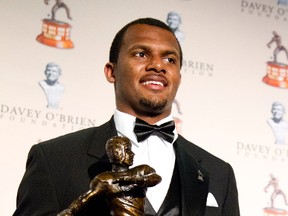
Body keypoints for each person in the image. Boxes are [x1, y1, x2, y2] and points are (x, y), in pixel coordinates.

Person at [14, 17, 240, 215]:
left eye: (170, 59)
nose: (157, 65)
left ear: (179, 76)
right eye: (141, 54)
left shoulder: (219, 174)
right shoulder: (55, 160)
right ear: (111, 72)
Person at [57, 136, 161, 216]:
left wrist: (132, 179)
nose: (132, 154)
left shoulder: (141, 170)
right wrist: (70, 211)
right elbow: (84, 198)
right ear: (117, 153)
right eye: (128, 150)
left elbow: (155, 178)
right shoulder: (104, 179)